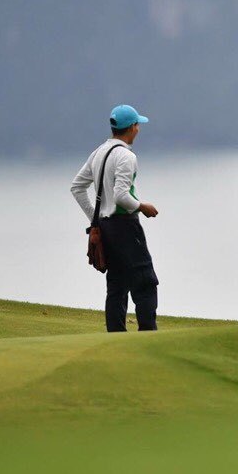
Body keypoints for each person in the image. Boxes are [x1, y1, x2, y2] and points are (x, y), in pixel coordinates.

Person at [70, 104, 160, 333]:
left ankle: (115, 337)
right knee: (145, 282)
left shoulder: (99, 152)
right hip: (125, 226)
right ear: (131, 128)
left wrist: (96, 218)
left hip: (107, 227)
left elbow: (77, 187)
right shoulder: (126, 157)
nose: (139, 129)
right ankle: (148, 334)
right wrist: (143, 207)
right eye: (137, 125)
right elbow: (121, 196)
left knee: (117, 285)